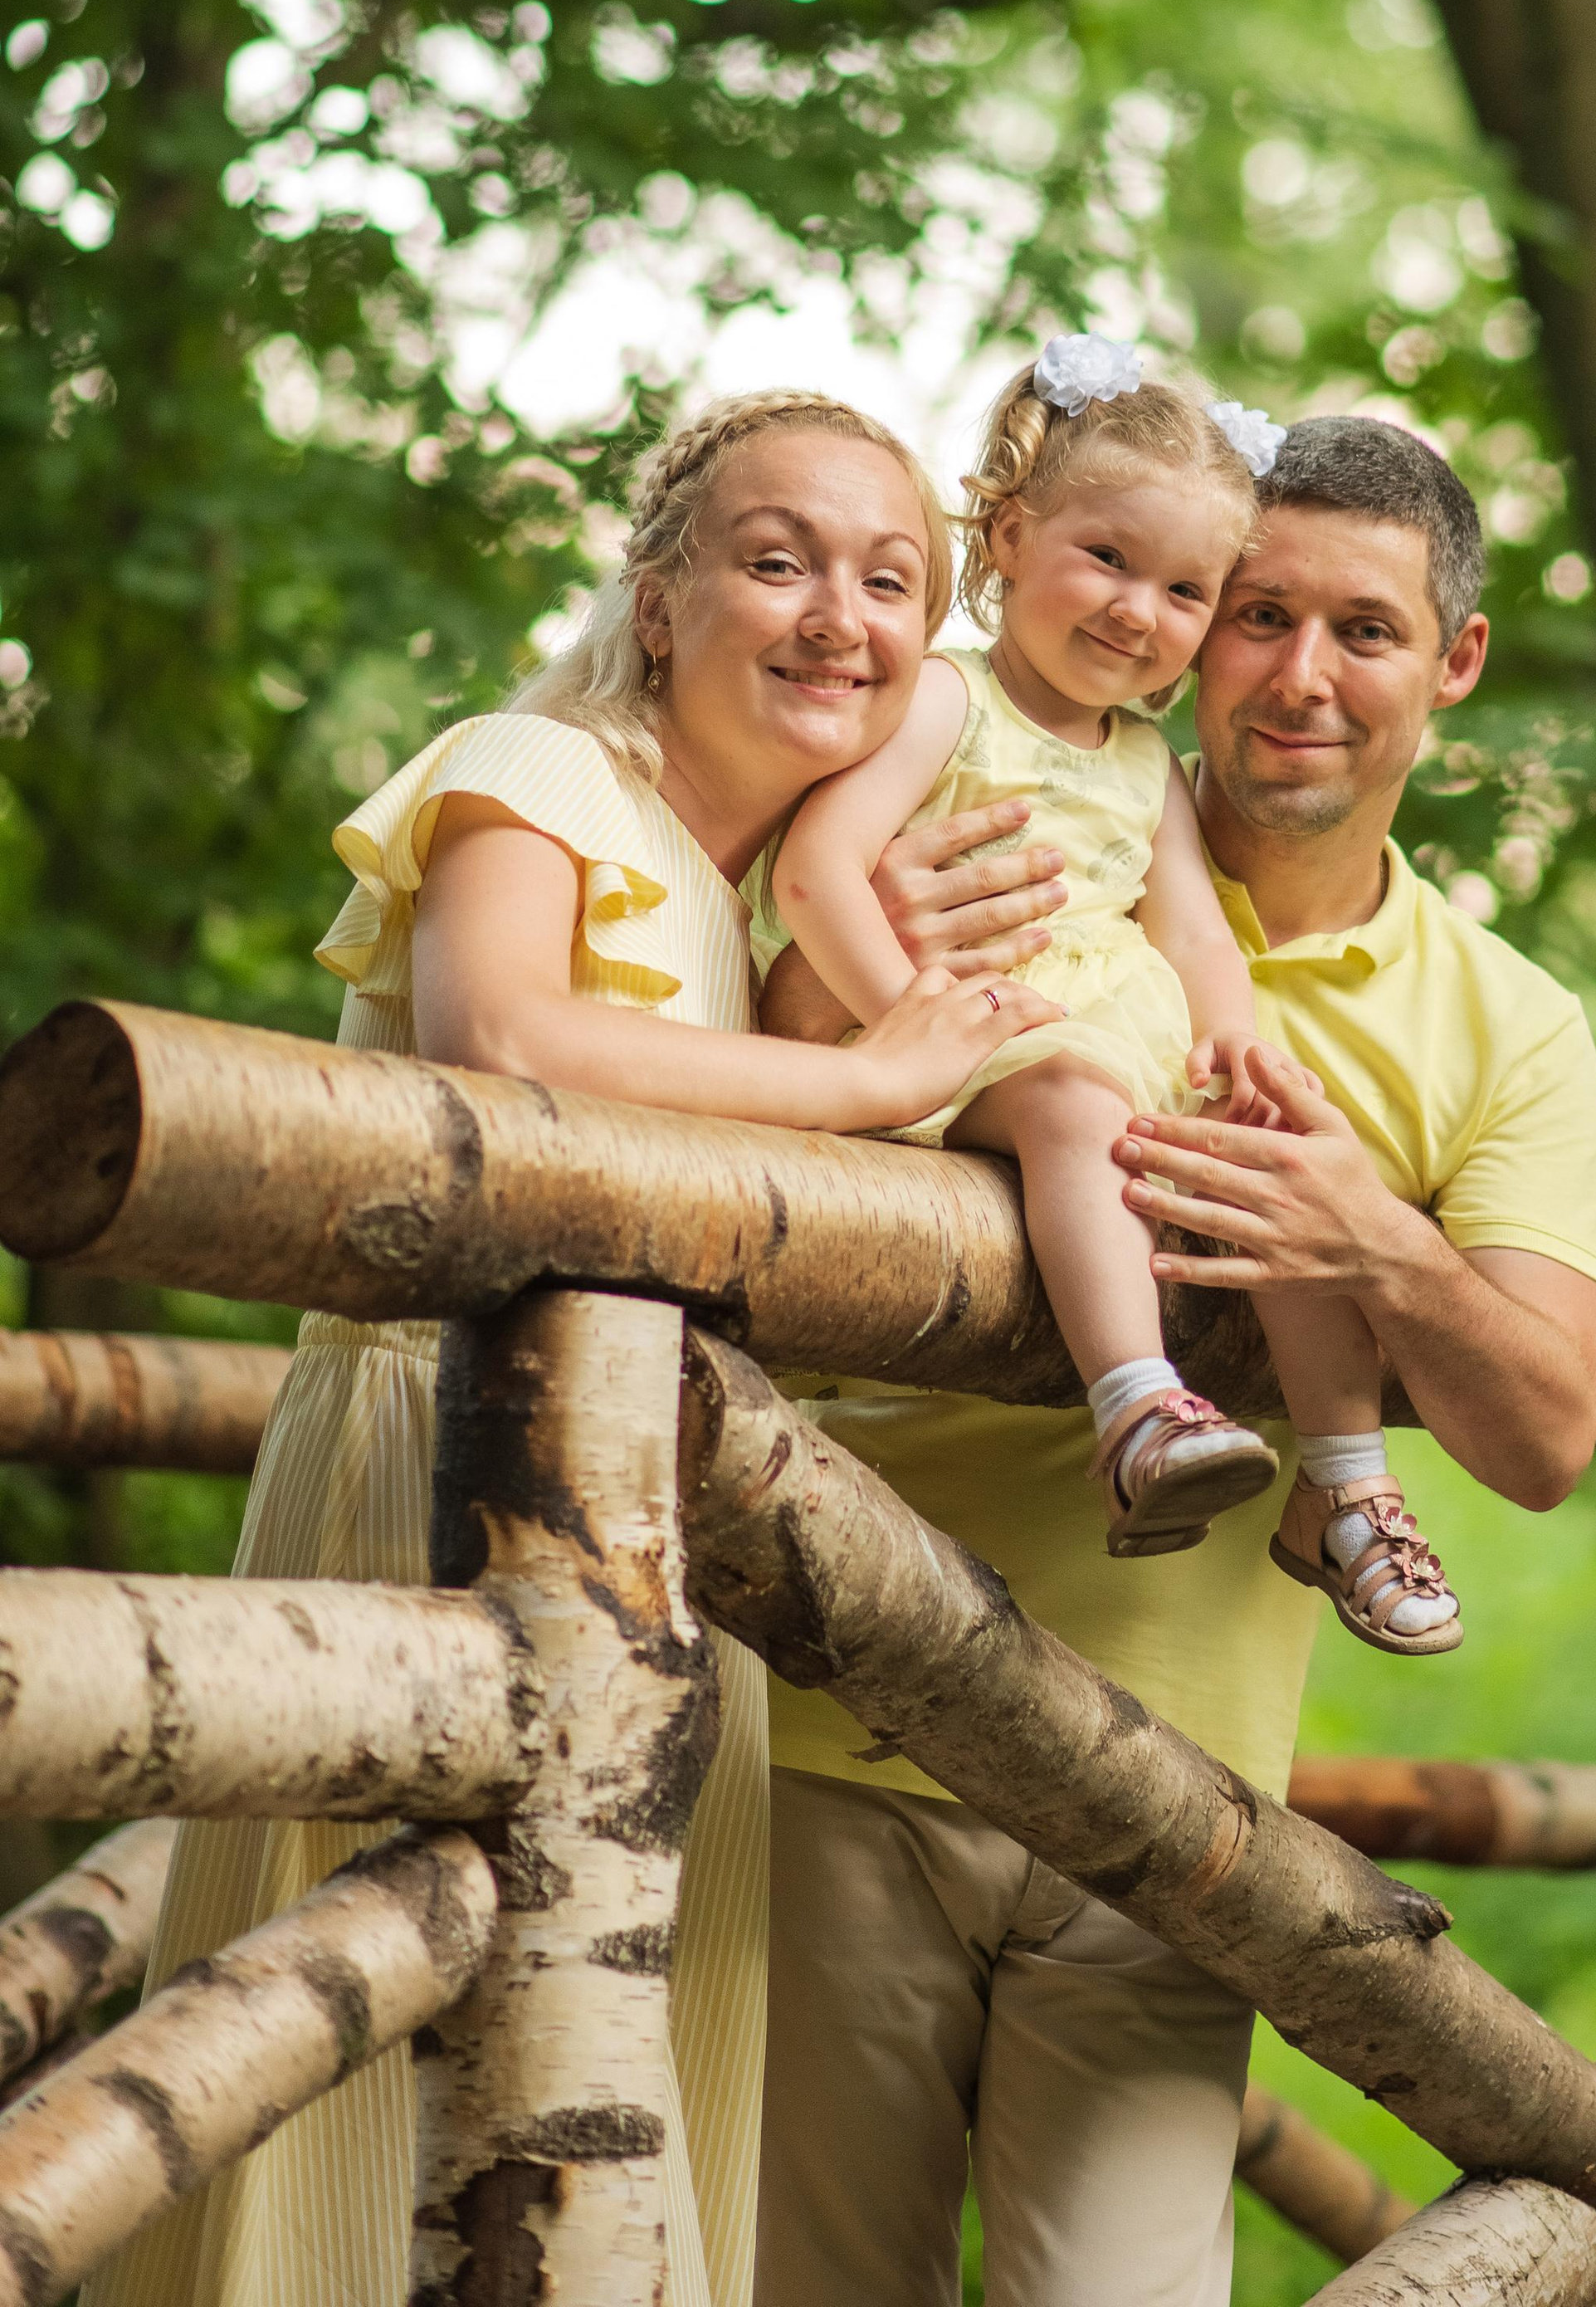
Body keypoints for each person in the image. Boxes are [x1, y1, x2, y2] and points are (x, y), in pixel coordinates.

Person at [85, 391, 1053, 2307]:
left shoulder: (761, 909)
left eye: (890, 582)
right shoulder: (536, 772)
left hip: (672, 1532)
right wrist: (866, 1076)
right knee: (359, 2035)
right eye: (776, 561)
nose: (837, 618)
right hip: (433, 1463)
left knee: (614, 2076)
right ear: (662, 588)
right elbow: (505, 1042)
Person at [751, 410, 1596, 2307]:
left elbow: (1548, 1432)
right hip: (835, 1729)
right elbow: (783, 1064)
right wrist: (881, 958)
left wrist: (1376, 1238)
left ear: (1451, 662)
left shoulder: (1510, 1023)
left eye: (1364, 630)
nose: (1296, 672)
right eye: (1256, 612)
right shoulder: (990, 823)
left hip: (1173, 1812)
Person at [766, 337, 1453, 1640]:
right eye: (1108, 561)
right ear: (1013, 535)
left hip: (1104, 1041)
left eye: (1187, 591)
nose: (1140, 611)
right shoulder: (946, 703)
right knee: (1078, 1104)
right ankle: (1137, 1404)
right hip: (978, 1040)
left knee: (1274, 1167)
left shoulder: (1145, 758)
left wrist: (1245, 1055)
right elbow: (817, 875)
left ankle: (1348, 1487)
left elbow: (1194, 939)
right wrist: (912, 1024)